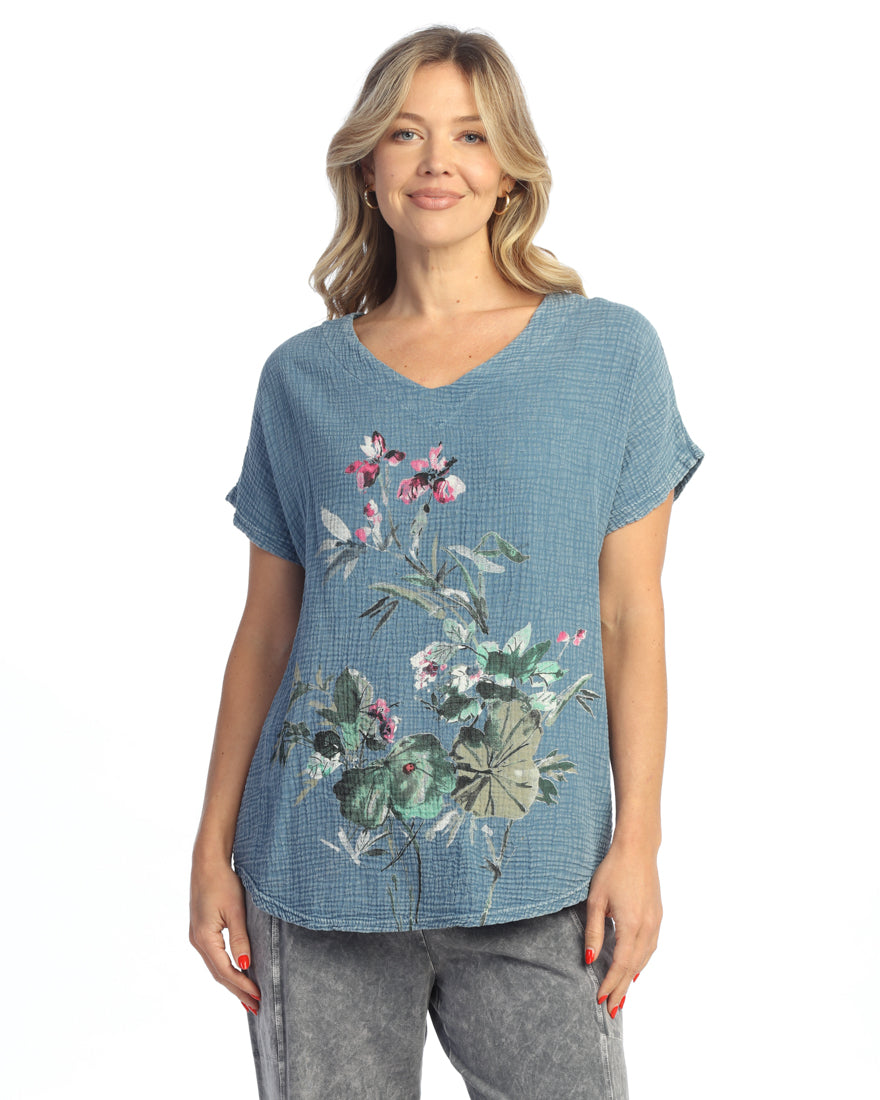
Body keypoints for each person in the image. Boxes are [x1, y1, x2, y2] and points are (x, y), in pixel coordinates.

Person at [190, 25, 703, 1100]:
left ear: (511, 168)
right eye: (406, 134)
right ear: (367, 169)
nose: (437, 162)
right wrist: (210, 847)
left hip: (544, 876)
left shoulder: (610, 355)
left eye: (470, 135)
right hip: (315, 875)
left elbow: (628, 616)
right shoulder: (300, 379)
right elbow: (268, 631)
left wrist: (640, 844)